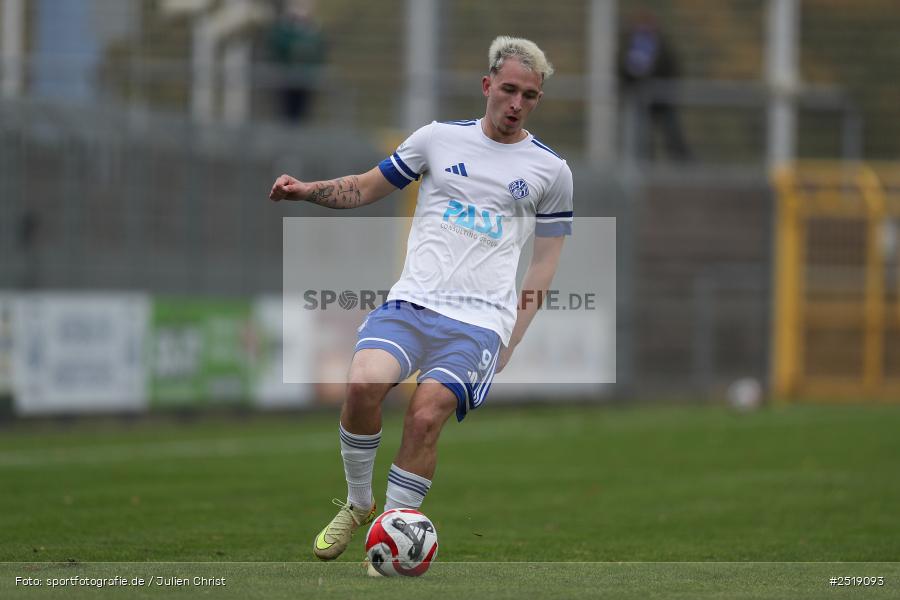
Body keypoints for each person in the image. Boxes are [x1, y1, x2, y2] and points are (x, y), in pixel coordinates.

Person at [268, 36, 573, 570]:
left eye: (529, 95)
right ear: (487, 86)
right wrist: (306, 190)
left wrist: (511, 338)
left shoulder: (552, 171)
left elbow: (545, 263)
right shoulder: (436, 139)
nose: (516, 103)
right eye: (508, 90)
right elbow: (364, 187)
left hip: (479, 324)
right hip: (412, 303)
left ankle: (392, 535)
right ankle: (360, 505)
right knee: (363, 383)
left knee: (426, 413)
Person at [619, 10, 691, 161]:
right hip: (640, 100)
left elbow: (672, 67)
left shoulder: (661, 45)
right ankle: (646, 165)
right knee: (643, 137)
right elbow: (624, 70)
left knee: (672, 134)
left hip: (662, 99)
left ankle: (683, 165)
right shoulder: (631, 44)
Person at [267, 0, 326, 122]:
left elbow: (318, 51)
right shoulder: (284, 29)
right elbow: (279, 48)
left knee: (302, 114)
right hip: (286, 78)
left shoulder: (313, 30)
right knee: (286, 113)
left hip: (305, 79)